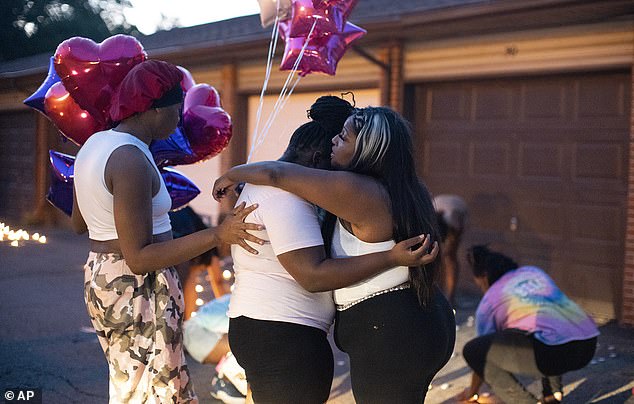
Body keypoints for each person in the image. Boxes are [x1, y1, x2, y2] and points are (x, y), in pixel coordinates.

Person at [213, 103, 456, 403]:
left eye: (343, 138)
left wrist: (232, 174)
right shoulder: (402, 186)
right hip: (418, 321)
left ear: (366, 150)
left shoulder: (355, 188)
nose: (333, 142)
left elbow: (277, 174)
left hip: (392, 333)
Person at [71, 59, 264, 403]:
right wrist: (218, 235)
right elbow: (139, 257)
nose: (179, 119)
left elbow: (78, 221)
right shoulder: (129, 158)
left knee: (131, 383)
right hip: (137, 288)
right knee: (154, 391)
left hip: (102, 277)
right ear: (151, 108)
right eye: (176, 109)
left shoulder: (94, 144)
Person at [456, 245, 599, 404]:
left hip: (552, 351)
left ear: (484, 277)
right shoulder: (533, 272)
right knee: (544, 329)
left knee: (473, 350)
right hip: (588, 342)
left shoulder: (490, 299)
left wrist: (472, 392)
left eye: (480, 284)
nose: (482, 288)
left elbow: (482, 355)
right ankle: (552, 396)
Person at [434, 194, 468, 306]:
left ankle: (450, 298)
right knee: (435, 257)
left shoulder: (454, 220)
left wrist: (448, 249)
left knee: (450, 257)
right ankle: (436, 294)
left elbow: (450, 248)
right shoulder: (430, 216)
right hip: (439, 208)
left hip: (457, 212)